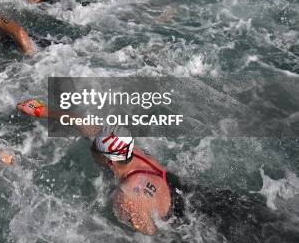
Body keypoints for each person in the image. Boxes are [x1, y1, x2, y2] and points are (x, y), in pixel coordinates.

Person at [16, 99, 297, 239]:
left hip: (195, 222)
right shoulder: (134, 152)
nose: (91, 149)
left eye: (95, 150)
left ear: (109, 161)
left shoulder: (126, 197)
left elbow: (154, 237)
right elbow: (81, 123)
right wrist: (41, 110)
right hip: (207, 197)